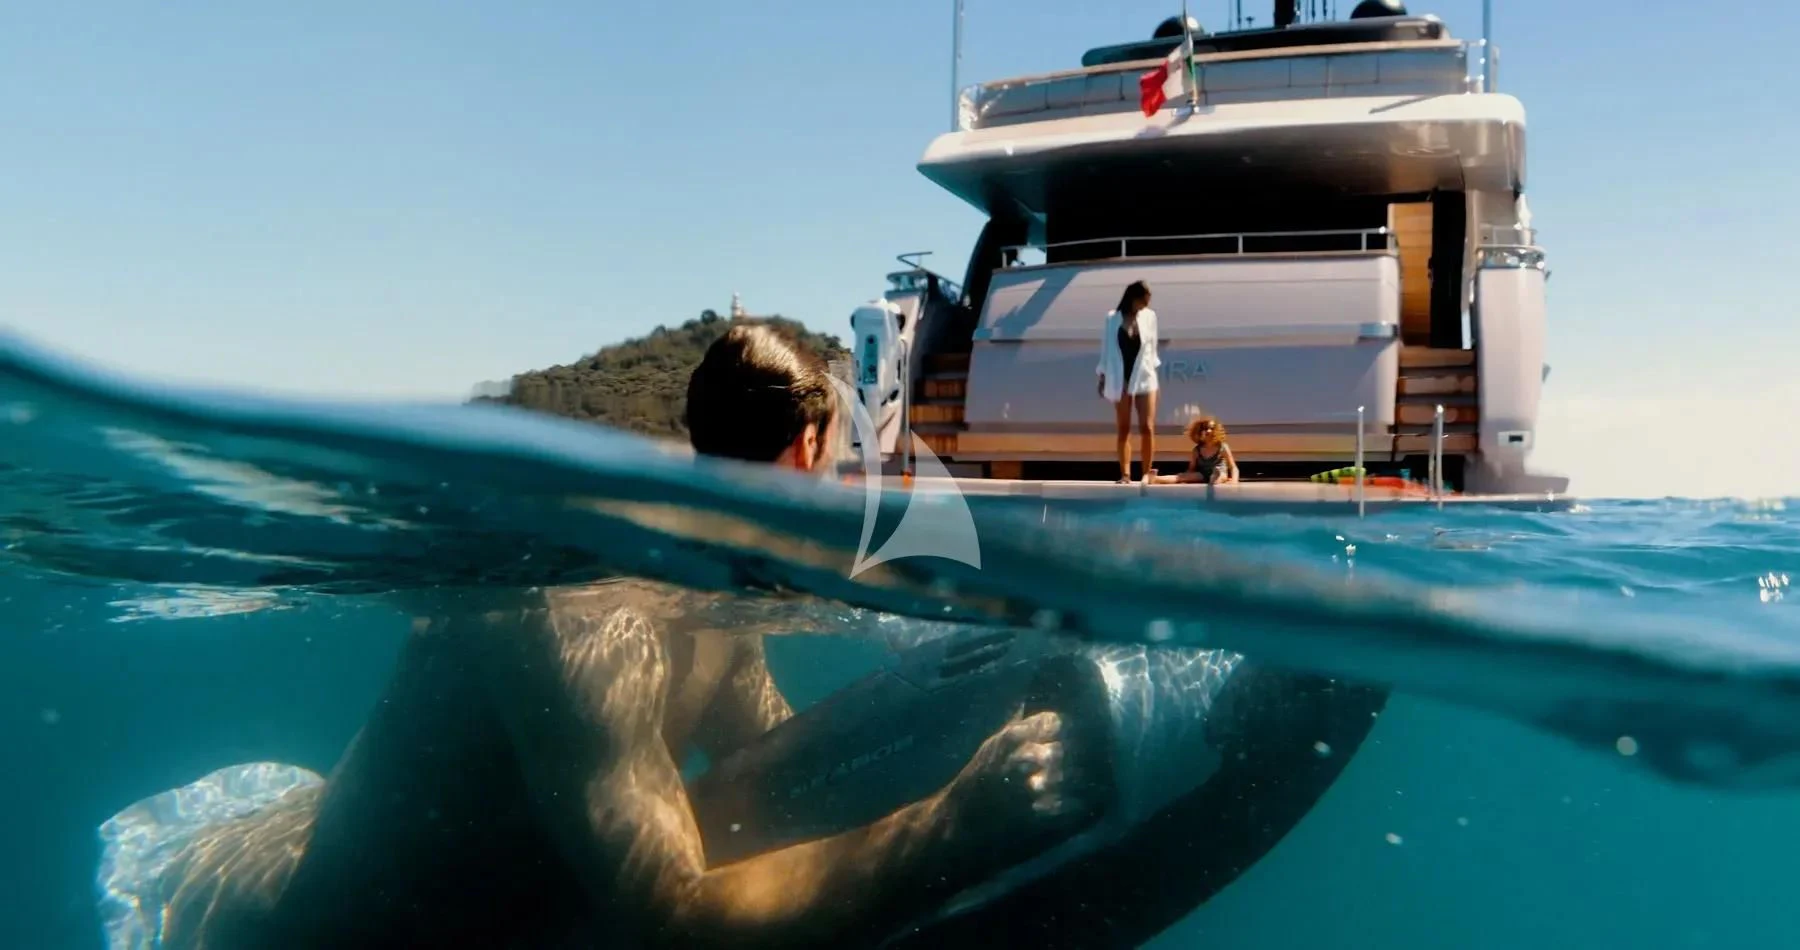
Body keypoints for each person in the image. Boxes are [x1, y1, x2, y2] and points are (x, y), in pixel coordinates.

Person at [142, 323, 1101, 949]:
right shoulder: (587, 620)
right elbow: (670, 914)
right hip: (312, 929)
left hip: (467, 905)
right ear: (807, 452)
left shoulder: (712, 600)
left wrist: (936, 700)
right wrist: (954, 824)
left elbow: (766, 761)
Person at [1095, 281, 1161, 484]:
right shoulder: (1112, 318)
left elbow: (1152, 349)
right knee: (1124, 427)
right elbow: (1106, 349)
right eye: (1144, 300)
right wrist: (1103, 376)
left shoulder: (1150, 317)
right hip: (1119, 377)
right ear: (1134, 298)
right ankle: (1125, 474)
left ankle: (1147, 473)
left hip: (1144, 377)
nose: (1146, 305)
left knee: (1147, 427)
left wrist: (1154, 376)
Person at [1150, 416, 1238, 485]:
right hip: (1202, 474)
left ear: (1216, 431)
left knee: (1220, 476)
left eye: (1211, 428)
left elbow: (1233, 467)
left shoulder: (1222, 447)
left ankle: (1215, 479)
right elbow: (1191, 468)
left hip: (1220, 472)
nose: (1208, 431)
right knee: (1179, 477)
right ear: (1199, 433)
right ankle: (1155, 479)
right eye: (1205, 429)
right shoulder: (1197, 450)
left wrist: (1234, 481)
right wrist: (1185, 478)